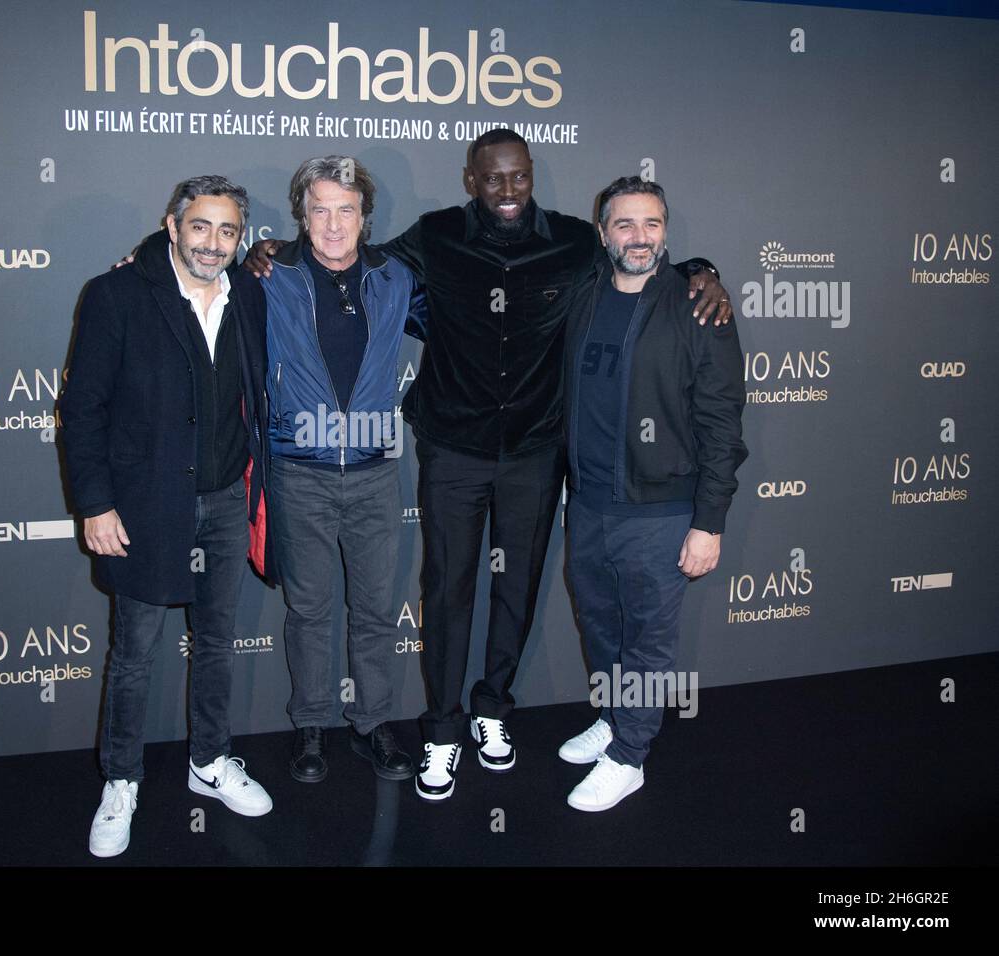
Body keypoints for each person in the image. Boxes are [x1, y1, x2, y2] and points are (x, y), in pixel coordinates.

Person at [246, 129, 732, 801]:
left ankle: (492, 711)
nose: (508, 190)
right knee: (447, 593)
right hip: (452, 449)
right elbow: (347, 257)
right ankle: (442, 729)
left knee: (517, 592)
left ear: (531, 176)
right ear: (472, 180)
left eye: (519, 177)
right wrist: (276, 249)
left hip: (535, 452)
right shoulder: (436, 235)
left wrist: (701, 270)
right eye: (493, 178)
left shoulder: (573, 243)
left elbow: (640, 262)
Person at [58, 175, 276, 858]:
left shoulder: (252, 296)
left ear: (242, 238)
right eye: (201, 227)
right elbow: (82, 408)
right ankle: (121, 779)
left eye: (228, 231)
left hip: (224, 503)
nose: (213, 243)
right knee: (134, 653)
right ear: (172, 225)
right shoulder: (117, 294)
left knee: (215, 643)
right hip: (144, 506)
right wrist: (94, 503)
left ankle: (209, 760)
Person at [557, 177, 746, 811]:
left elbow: (722, 425)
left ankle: (630, 755)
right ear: (603, 232)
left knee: (647, 641)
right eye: (625, 225)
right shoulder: (584, 298)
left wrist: (709, 521)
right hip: (586, 506)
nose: (640, 238)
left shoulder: (700, 307)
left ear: (666, 229)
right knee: (602, 629)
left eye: (652, 224)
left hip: (661, 511)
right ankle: (614, 720)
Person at [238, 156, 426, 784]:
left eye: (346, 209)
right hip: (300, 470)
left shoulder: (396, 278)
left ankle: (373, 722)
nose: (334, 222)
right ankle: (312, 724)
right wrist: (148, 251)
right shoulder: (268, 277)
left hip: (375, 472)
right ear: (302, 215)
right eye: (320, 209)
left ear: (365, 216)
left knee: (376, 610)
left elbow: (483, 295)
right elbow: (190, 262)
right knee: (310, 610)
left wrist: (697, 271)